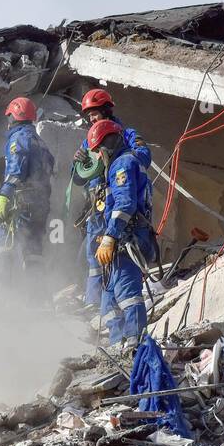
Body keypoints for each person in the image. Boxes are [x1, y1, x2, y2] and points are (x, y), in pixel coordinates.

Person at [89, 120, 157, 351]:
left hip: (128, 239)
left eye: (98, 150)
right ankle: (119, 346)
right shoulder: (120, 165)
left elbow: (125, 204)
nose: (98, 157)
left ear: (107, 145)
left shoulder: (123, 164)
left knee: (129, 295)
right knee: (108, 302)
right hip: (121, 241)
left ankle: (135, 346)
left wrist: (110, 236)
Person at [0, 96, 55, 293]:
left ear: (13, 116)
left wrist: (4, 196)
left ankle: (2, 298)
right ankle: (36, 298)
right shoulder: (41, 142)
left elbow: (15, 170)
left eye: (9, 116)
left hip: (20, 203)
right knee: (33, 251)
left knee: (2, 245)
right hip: (39, 205)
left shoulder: (19, 139)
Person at [69, 88, 123, 309]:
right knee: (89, 256)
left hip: (113, 203)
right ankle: (92, 303)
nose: (91, 118)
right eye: (88, 115)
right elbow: (79, 178)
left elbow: (141, 157)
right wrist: (77, 162)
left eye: (94, 113)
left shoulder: (122, 134)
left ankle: (106, 305)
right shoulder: (87, 140)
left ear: (106, 110)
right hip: (95, 207)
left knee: (111, 258)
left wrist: (112, 152)